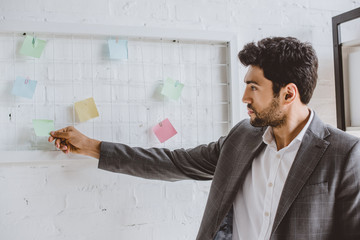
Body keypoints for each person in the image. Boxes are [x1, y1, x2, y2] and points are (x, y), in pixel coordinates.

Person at [48, 37, 360, 240]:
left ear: (288, 93)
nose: (244, 97)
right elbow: (175, 163)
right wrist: (92, 147)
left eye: (254, 87)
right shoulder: (243, 137)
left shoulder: (345, 154)